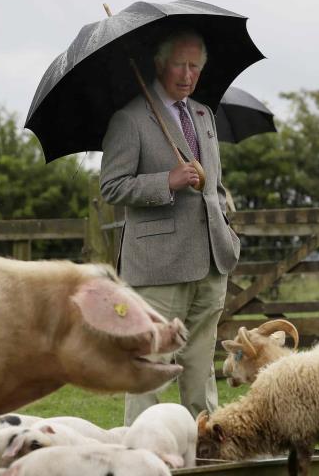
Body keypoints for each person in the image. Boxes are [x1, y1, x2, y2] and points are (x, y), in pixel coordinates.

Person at [99, 29, 241, 425]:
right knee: (150, 366)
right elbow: (112, 186)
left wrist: (226, 227)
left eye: (195, 66)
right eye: (179, 63)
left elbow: (214, 184)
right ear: (159, 64)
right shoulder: (129, 119)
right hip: (156, 266)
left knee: (201, 368)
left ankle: (205, 456)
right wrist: (167, 181)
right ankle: (140, 458)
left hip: (213, 259)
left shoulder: (203, 114)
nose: (187, 73)